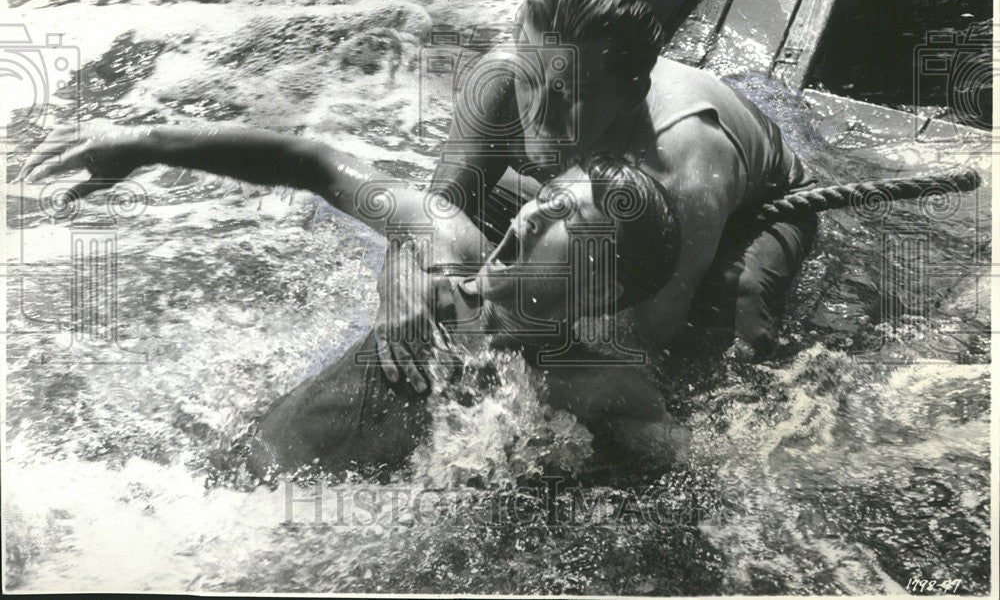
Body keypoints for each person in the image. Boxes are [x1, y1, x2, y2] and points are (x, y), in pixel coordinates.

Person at [21, 123, 688, 476]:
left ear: (600, 287)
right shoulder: (444, 243)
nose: (533, 215)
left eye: (566, 221)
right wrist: (143, 142)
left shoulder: (593, 383)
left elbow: (675, 455)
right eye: (547, 195)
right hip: (229, 476)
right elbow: (312, 162)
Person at [379, 0, 817, 390]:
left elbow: (641, 345)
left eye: (569, 95)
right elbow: (435, 211)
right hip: (582, 193)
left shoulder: (683, 167)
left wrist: (516, 358)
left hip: (758, 207)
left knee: (721, 338)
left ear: (632, 96)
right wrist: (401, 276)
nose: (538, 114)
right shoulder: (497, 84)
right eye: (529, 79)